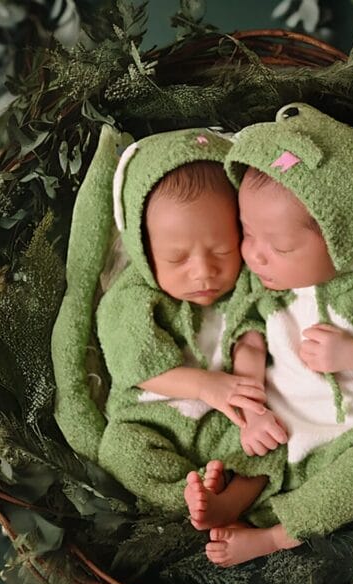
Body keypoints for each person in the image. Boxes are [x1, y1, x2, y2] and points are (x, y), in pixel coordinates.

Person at [204, 103, 353, 566]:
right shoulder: (261, 287)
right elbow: (246, 339)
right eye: (248, 233)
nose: (256, 256)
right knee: (239, 440)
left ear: (343, 242)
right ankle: (233, 500)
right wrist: (252, 408)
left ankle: (275, 536)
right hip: (281, 424)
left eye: (281, 246)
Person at [92, 128, 287, 526]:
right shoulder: (132, 298)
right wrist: (205, 385)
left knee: (274, 438)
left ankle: (230, 501)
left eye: (221, 250)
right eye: (177, 258)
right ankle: (188, 494)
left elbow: (252, 339)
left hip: (226, 421)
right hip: (153, 419)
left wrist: (251, 407)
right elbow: (138, 366)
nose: (203, 272)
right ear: (144, 250)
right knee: (119, 450)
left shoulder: (248, 283)